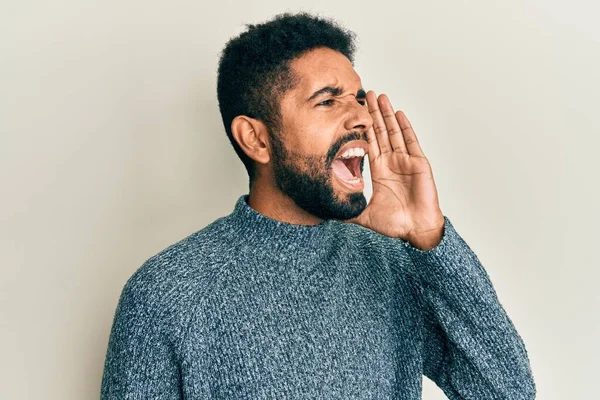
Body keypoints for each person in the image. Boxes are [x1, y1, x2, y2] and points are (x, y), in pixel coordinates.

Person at [100, 11, 536, 399]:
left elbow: (508, 391)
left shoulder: (393, 265)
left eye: (358, 99)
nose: (362, 118)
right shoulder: (165, 293)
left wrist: (431, 239)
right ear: (256, 138)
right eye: (328, 101)